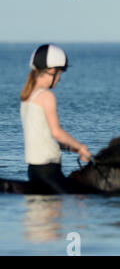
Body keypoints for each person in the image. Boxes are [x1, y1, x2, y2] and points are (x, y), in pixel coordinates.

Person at [20, 44, 91, 193]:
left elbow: (43, 137)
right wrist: (80, 147)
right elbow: (56, 132)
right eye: (59, 73)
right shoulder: (46, 96)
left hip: (34, 171)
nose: (59, 79)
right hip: (49, 171)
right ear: (51, 71)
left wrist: (70, 148)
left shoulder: (27, 98)